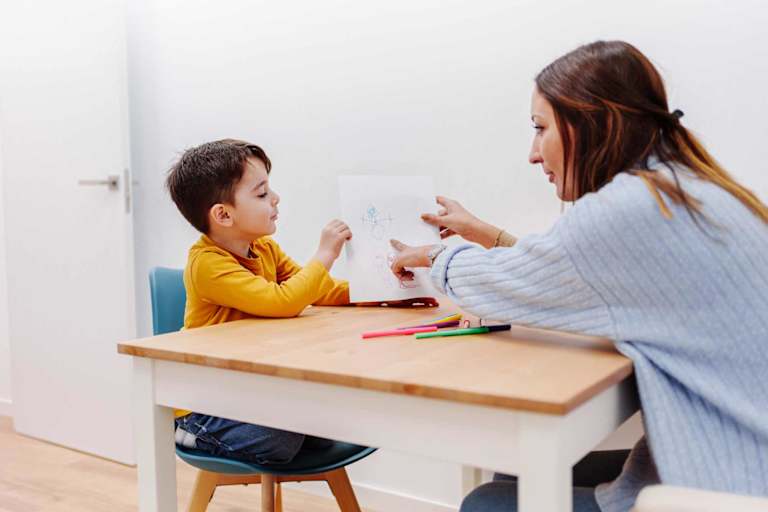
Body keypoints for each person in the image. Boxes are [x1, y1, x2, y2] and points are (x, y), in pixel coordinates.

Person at [390, 40, 768, 511]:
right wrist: (487, 234)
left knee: (486, 502)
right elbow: (573, 271)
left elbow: (517, 283)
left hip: (726, 484)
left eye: (540, 128)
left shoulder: (634, 207)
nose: (533, 153)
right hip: (740, 458)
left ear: (595, 123)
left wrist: (434, 256)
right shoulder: (686, 188)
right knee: (514, 466)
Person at [165, 138, 353, 464]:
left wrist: (377, 292)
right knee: (281, 441)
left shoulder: (264, 249)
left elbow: (318, 291)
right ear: (223, 215)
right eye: (262, 193)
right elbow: (283, 301)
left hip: (250, 390)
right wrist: (324, 255)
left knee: (331, 422)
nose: (276, 199)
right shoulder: (207, 264)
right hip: (208, 401)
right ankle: (195, 432)